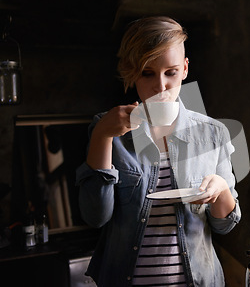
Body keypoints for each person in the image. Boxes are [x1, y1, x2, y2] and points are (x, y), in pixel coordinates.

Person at [76, 16, 241, 286]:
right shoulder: (106, 128)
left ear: (185, 69)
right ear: (132, 74)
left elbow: (225, 226)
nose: (161, 86)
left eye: (171, 72)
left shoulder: (213, 133)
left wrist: (221, 189)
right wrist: (103, 135)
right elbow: (95, 217)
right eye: (147, 73)